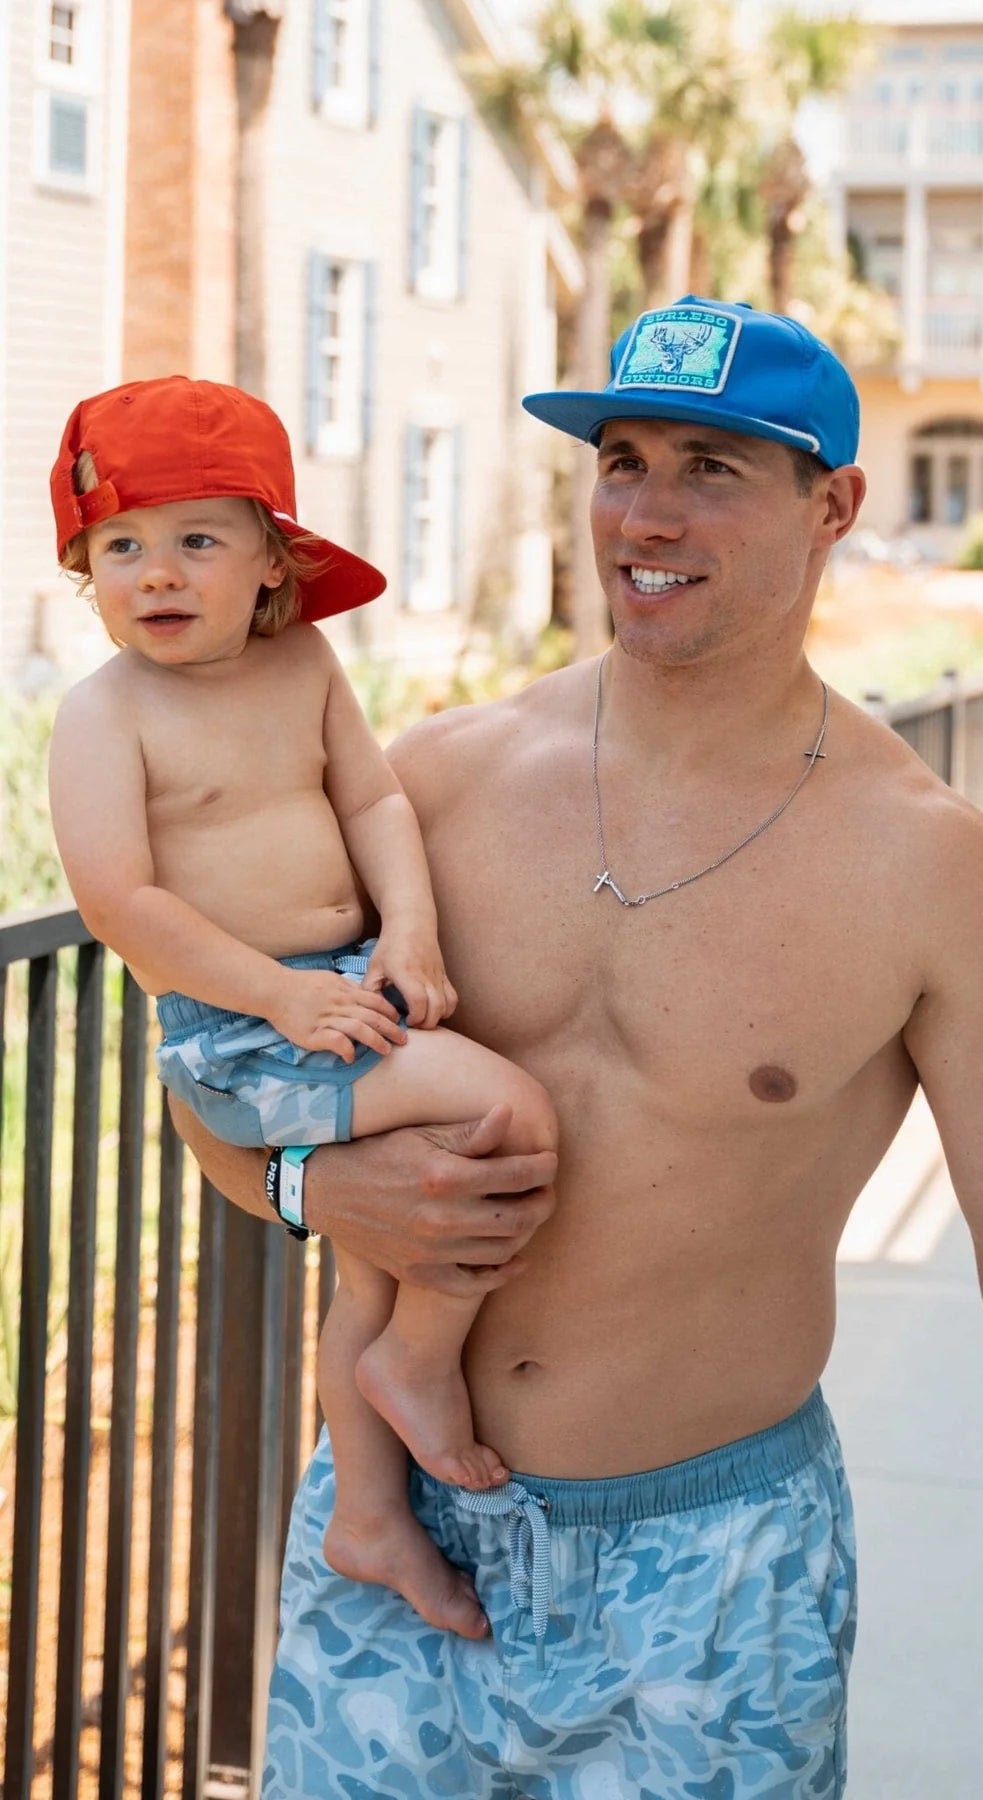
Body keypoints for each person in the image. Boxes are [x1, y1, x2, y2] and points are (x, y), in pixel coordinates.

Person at [172, 301, 983, 1800]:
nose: (646, 512)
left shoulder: (924, 866)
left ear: (832, 504)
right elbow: (216, 1083)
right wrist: (316, 1196)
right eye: (623, 459)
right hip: (396, 1538)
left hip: (714, 1578)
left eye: (715, 468)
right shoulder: (436, 785)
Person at [46, 376, 557, 1636]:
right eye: (121, 547)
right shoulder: (106, 714)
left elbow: (375, 802)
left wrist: (413, 933)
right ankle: (418, 1367)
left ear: (274, 561)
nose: (155, 574)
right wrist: (282, 996)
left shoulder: (304, 663)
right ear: (87, 572)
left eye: (196, 539)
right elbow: (120, 902)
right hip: (239, 1023)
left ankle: (369, 1510)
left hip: (339, 991)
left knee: (386, 1256)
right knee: (513, 1110)